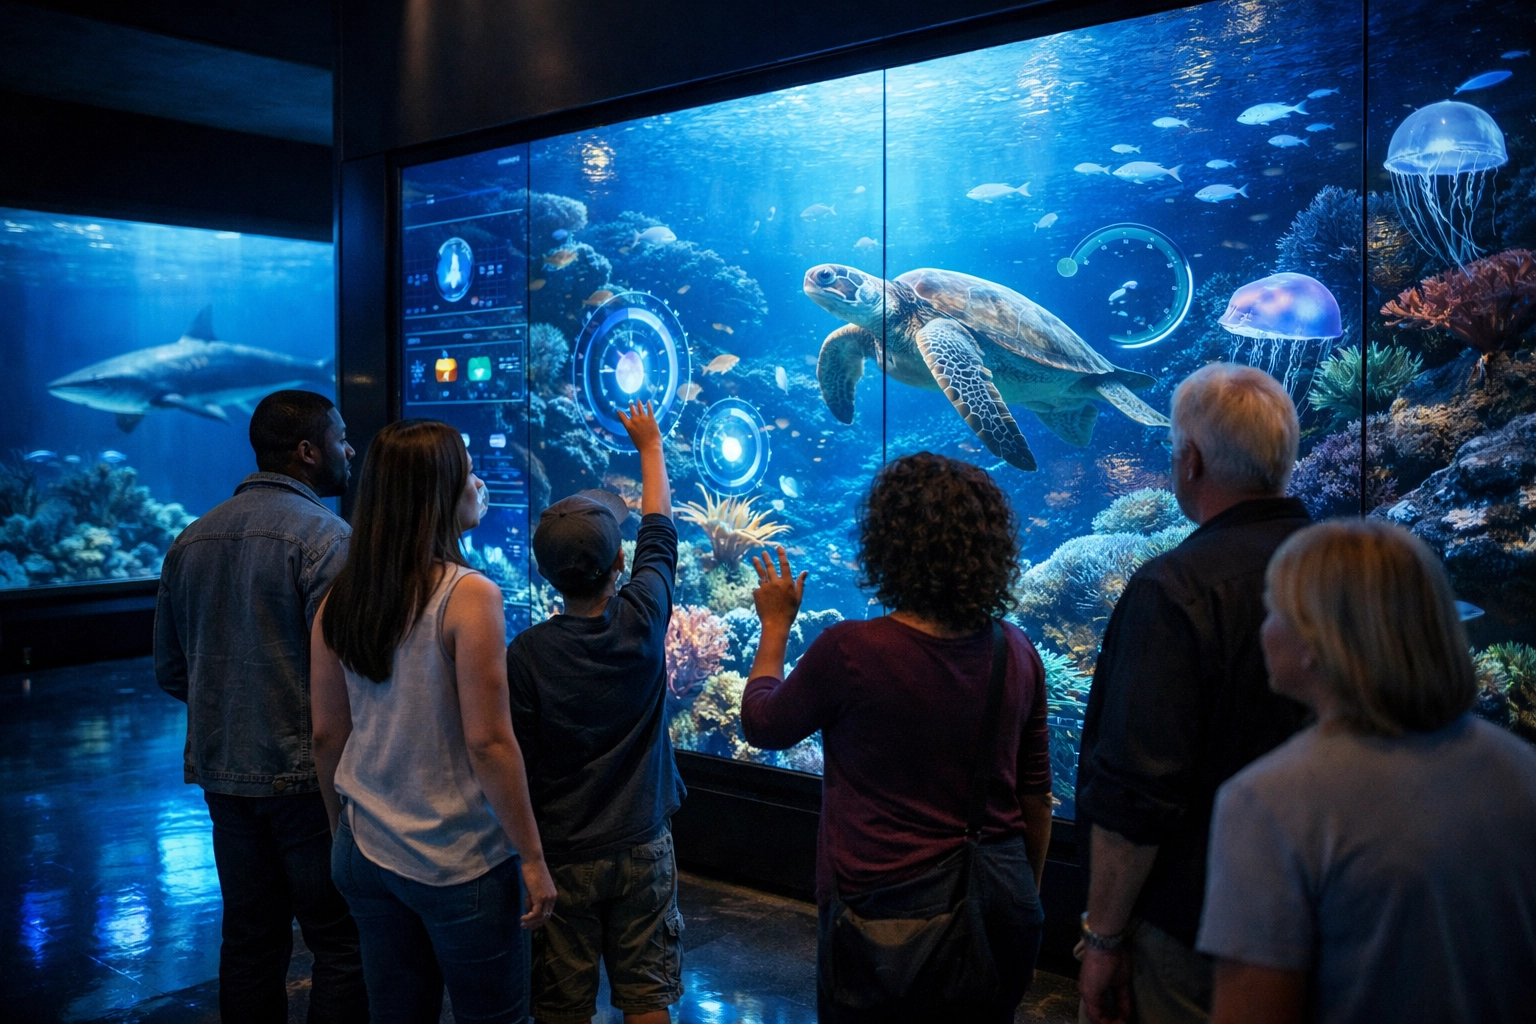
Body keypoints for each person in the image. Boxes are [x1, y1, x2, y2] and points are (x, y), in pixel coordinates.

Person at [741, 451, 1054, 1024]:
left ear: (887, 544)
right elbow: (1036, 800)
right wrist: (1018, 907)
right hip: (1001, 909)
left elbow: (763, 723)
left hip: (883, 923)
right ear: (991, 549)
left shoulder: (851, 652)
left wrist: (776, 627)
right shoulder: (1017, 652)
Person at [1198, 520, 1536, 1023]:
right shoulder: (1519, 767)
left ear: (1316, 637)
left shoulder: (1269, 800)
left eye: (1272, 608)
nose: (1262, 628)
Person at [1074, 363, 1312, 1024]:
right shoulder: (1349, 568)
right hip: (1331, 910)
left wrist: (1104, 936)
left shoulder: (1174, 589)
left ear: (1192, 462)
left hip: (1198, 923)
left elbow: (1137, 791)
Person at [310, 419, 557, 1024]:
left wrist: (342, 828)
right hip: (456, 858)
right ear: (438, 493)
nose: (479, 481)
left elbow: (325, 735)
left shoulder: (340, 598)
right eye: (468, 470)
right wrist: (531, 855)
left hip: (363, 845)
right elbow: (490, 741)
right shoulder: (470, 596)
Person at [154, 389, 365, 1023]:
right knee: (340, 941)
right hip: (306, 782)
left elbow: (170, 671)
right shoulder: (330, 542)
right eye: (340, 438)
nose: (349, 449)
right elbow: (351, 680)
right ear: (307, 452)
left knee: (249, 941)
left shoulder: (190, 541)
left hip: (223, 777)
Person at [507, 399, 686, 1024]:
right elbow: (660, 536)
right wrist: (650, 447)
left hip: (563, 851)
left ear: (546, 574)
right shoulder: (642, 620)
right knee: (647, 996)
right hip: (643, 843)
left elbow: (517, 758)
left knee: (561, 1004)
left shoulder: (527, 653)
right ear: (620, 565)